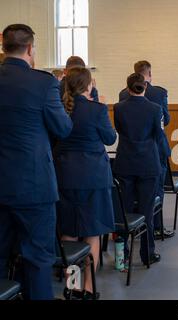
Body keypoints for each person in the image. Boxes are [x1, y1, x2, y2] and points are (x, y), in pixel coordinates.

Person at [0, 24, 73, 300]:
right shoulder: (43, 83)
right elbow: (63, 129)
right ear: (30, 49)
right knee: (37, 258)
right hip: (34, 186)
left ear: (4, 48)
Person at [54, 67, 116, 300]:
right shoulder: (97, 110)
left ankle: (72, 285)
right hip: (93, 178)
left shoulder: (60, 110)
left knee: (68, 232)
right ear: (88, 85)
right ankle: (88, 289)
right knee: (92, 232)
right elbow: (110, 138)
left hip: (64, 176)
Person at [113, 73, 164, 265]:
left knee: (124, 211)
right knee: (147, 211)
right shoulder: (155, 109)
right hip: (148, 164)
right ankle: (147, 254)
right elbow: (158, 136)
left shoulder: (118, 108)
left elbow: (120, 130)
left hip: (125, 163)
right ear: (145, 86)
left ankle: (122, 254)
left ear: (127, 88)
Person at [119, 61, 173, 239]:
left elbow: (120, 128)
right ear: (148, 75)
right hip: (152, 154)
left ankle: (129, 235)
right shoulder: (159, 94)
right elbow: (165, 121)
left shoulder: (122, 96)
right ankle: (155, 228)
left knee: (127, 198)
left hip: (127, 155)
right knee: (154, 193)